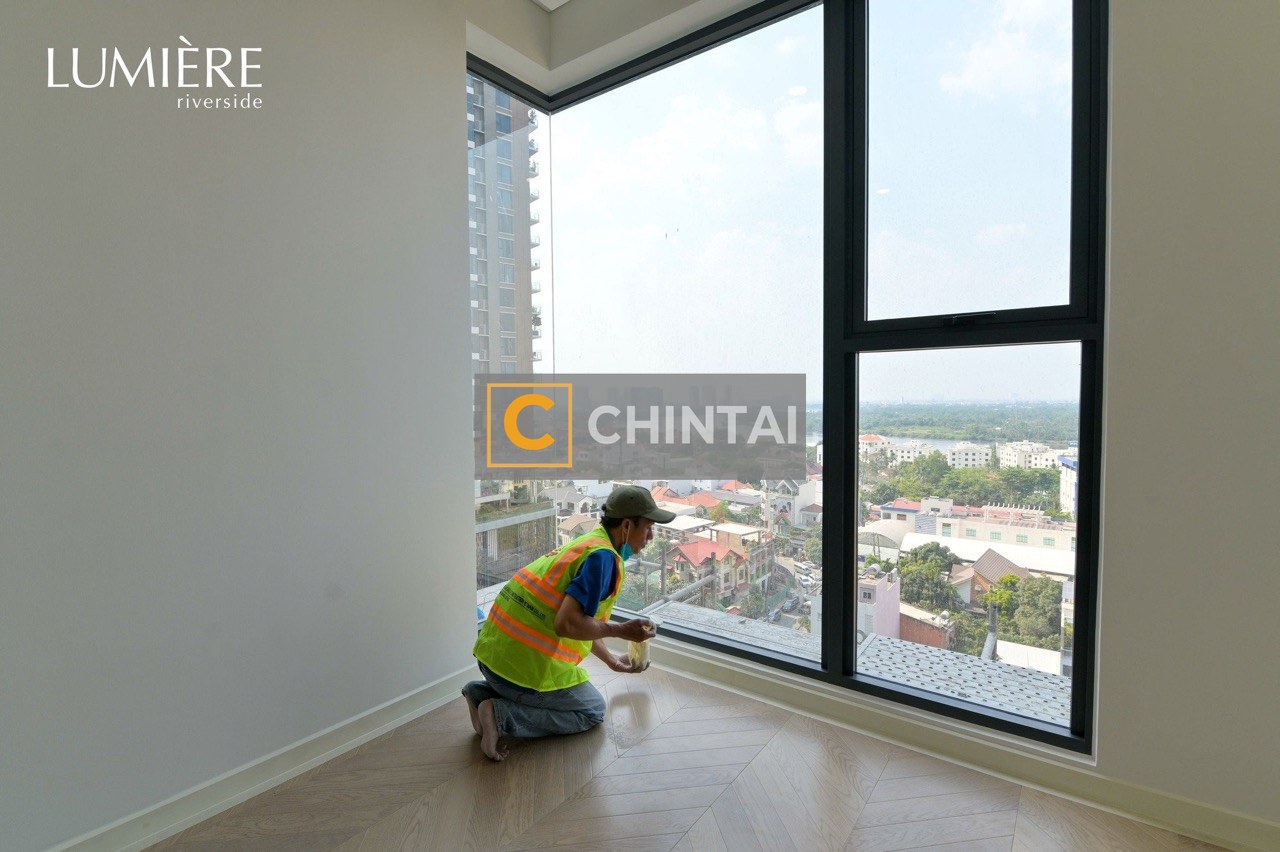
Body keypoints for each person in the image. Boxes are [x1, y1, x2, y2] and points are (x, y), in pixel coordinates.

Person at [462, 484, 674, 761]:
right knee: (592, 710)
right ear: (626, 525)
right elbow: (567, 625)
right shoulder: (602, 560)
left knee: (574, 695)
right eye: (648, 527)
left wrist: (611, 661)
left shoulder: (588, 544)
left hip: (492, 659)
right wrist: (622, 631)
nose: (651, 536)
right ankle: (500, 716)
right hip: (520, 672)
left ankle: (479, 693)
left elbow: (581, 622)